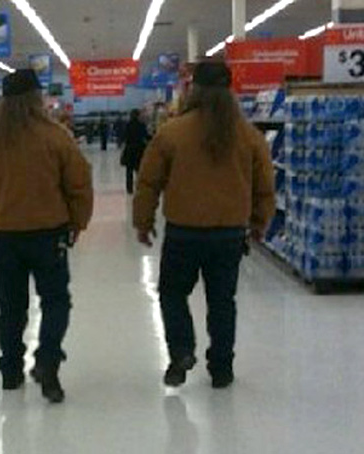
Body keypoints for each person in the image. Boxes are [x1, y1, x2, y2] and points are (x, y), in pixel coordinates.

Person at [132, 61, 275, 389]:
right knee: (222, 301)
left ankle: (181, 352)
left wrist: (143, 221)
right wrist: (260, 220)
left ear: (193, 89)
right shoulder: (248, 135)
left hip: (183, 232)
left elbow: (149, 182)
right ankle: (221, 368)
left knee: (172, 294)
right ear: (229, 92)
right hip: (229, 233)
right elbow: (264, 184)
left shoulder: (171, 132)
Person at [0, 69, 94, 404]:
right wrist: (77, 222)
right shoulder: (56, 136)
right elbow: (79, 185)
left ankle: (10, 371)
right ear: (37, 98)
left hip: (5, 237)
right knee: (56, 301)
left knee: (11, 307)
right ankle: (47, 361)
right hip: (49, 235)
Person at [121, 109, 151, 194]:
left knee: (129, 171)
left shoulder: (127, 125)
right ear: (137, 116)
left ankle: (129, 188)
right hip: (139, 149)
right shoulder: (141, 125)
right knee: (139, 169)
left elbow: (124, 137)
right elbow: (146, 136)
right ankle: (139, 186)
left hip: (129, 150)